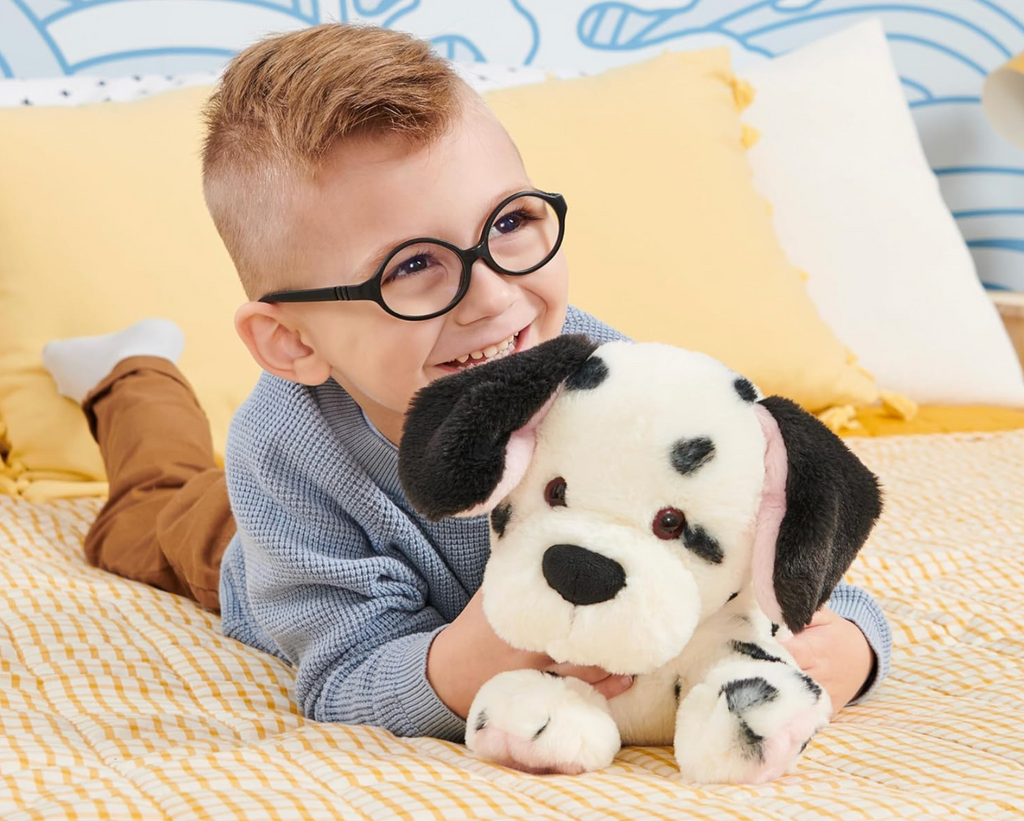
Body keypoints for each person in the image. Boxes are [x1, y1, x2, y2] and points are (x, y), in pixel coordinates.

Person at [42, 23, 890, 742]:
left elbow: (795, 568)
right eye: (412, 266)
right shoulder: (285, 452)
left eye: (512, 222)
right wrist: (497, 644)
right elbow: (343, 677)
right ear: (291, 340)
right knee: (146, 507)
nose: (494, 297)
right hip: (245, 543)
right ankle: (130, 372)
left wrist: (838, 650)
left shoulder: (613, 385)